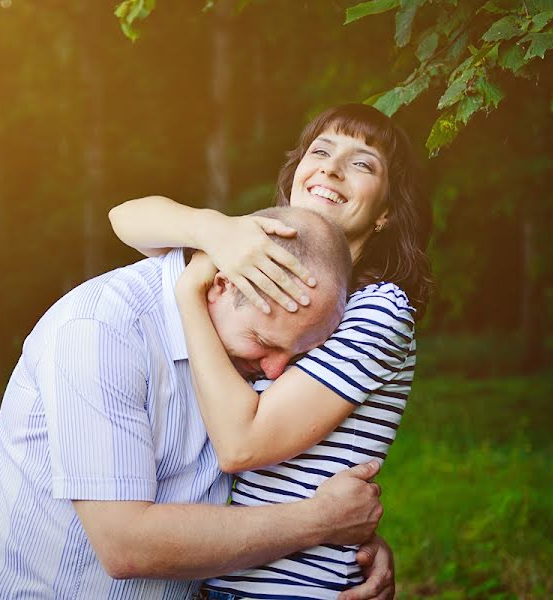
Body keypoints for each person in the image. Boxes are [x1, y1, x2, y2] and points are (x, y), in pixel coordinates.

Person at [0, 206, 387, 600]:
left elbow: (263, 498)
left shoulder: (238, 349)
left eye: (296, 355)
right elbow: (126, 545)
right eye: (263, 342)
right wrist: (320, 523)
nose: (276, 371)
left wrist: (353, 546)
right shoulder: (102, 330)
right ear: (222, 284)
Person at [108, 103, 433, 599]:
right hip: (223, 572)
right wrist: (213, 230)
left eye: (363, 162)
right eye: (320, 151)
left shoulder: (379, 308)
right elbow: (124, 217)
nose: (330, 167)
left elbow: (244, 445)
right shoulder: (256, 254)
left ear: (387, 210)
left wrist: (189, 295)